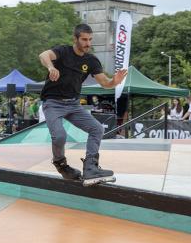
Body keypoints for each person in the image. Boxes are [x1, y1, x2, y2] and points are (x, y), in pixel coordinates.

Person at [39, 23, 128, 182]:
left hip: (73, 104)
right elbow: (43, 55)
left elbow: (104, 83)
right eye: (84, 39)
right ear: (75, 38)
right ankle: (61, 165)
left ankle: (90, 167)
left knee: (97, 129)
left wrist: (114, 81)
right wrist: (51, 67)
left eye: (90, 40)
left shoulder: (91, 60)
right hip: (52, 103)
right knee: (59, 136)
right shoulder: (63, 51)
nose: (88, 43)